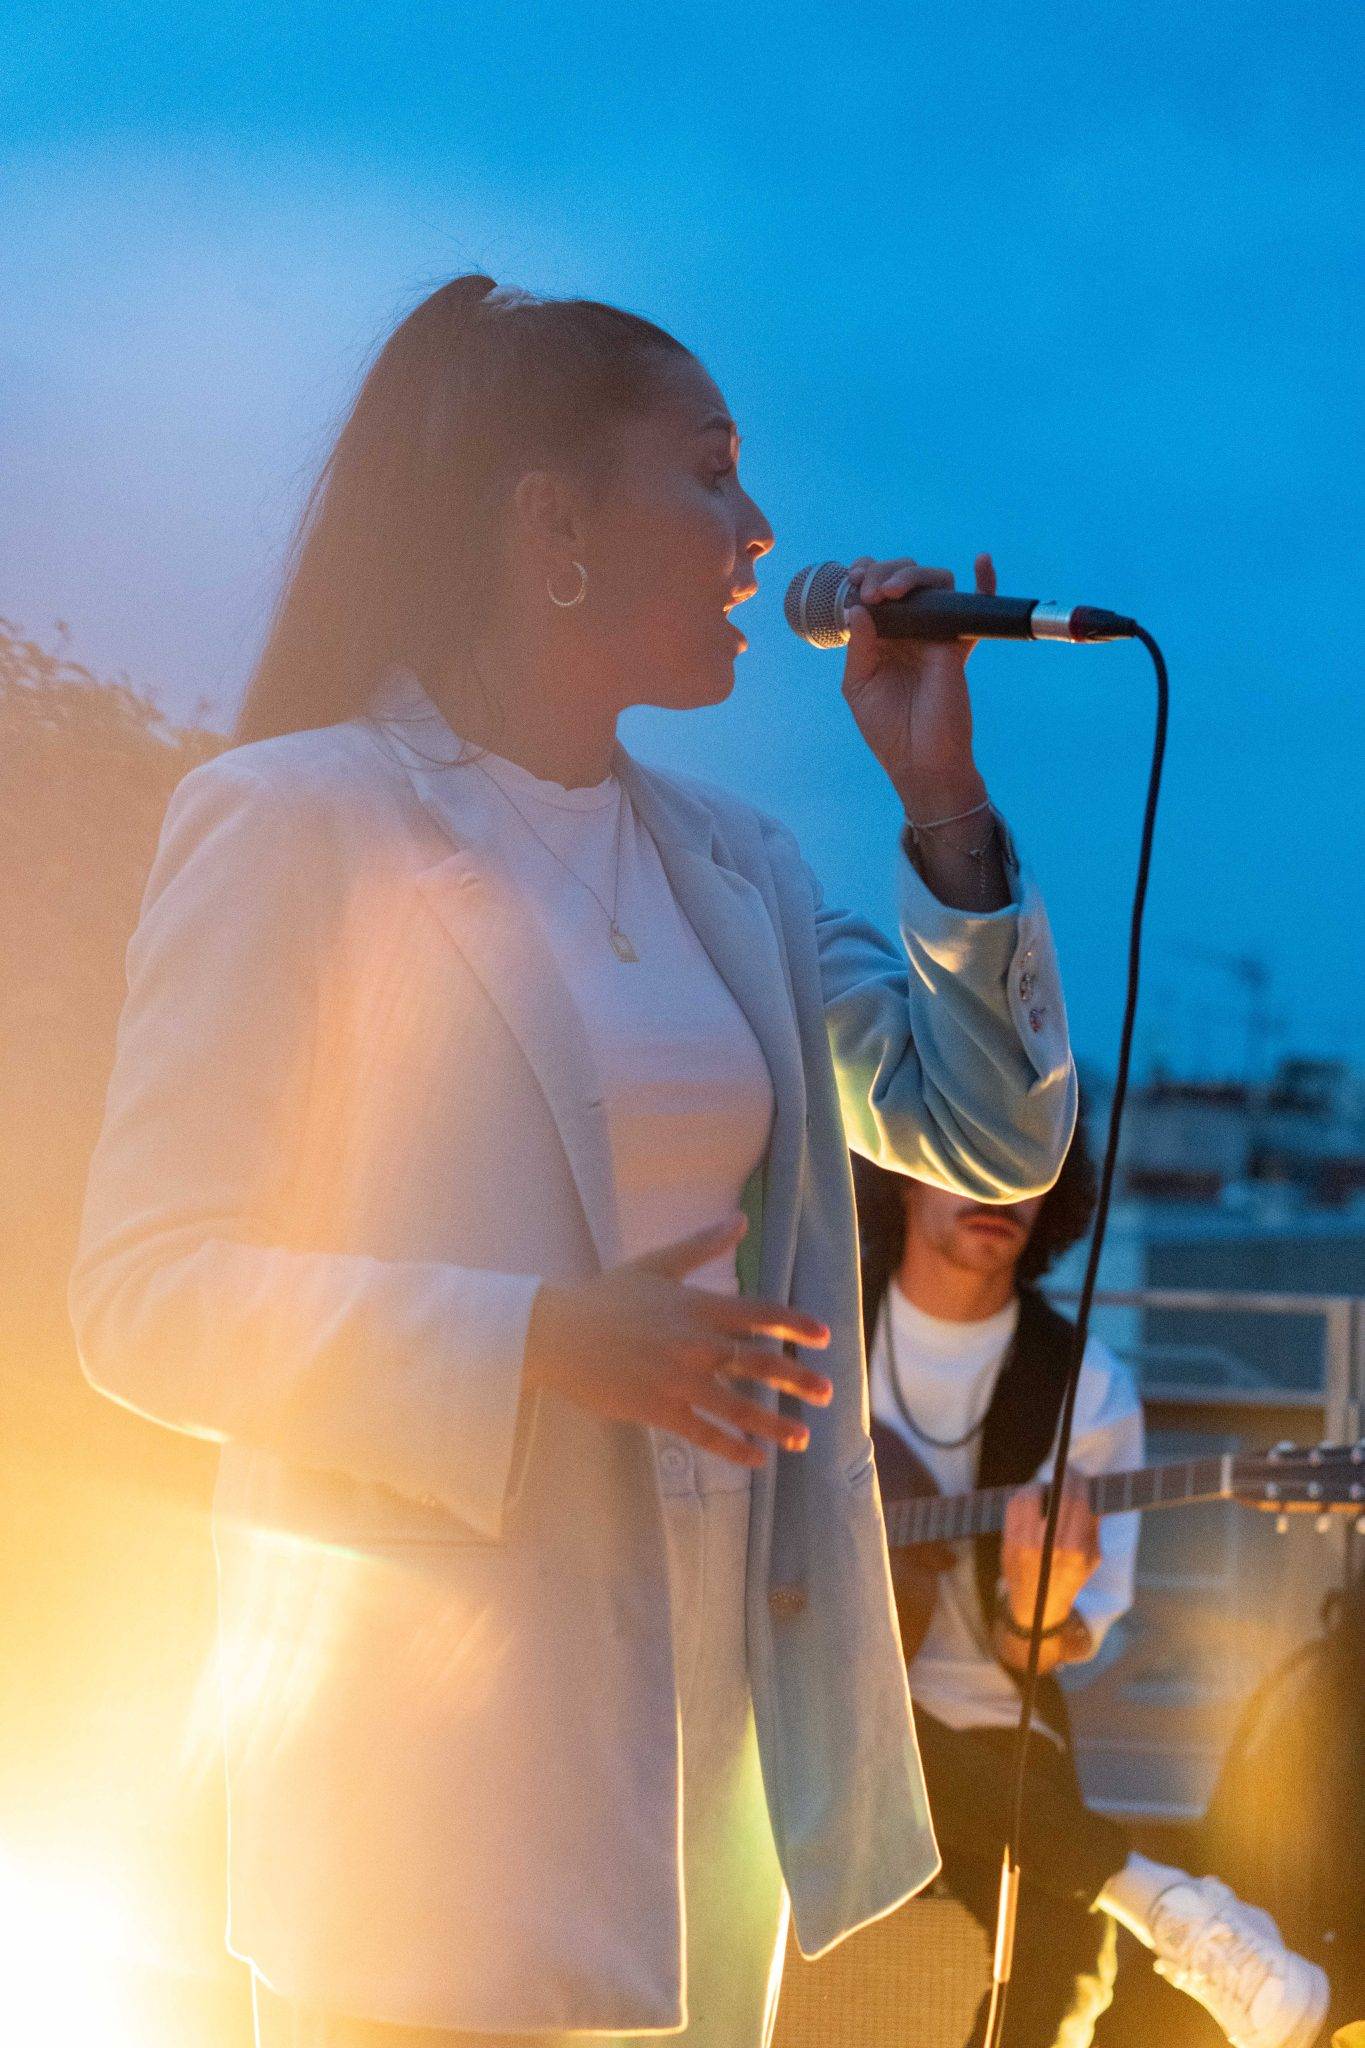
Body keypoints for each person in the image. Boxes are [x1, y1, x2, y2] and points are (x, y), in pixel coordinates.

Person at [70, 272, 1079, 2048]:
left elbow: (989, 1128)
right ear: (551, 526)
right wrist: (534, 1336)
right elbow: (143, 1296)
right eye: (707, 476)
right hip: (432, 1780)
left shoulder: (735, 864)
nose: (760, 534)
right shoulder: (297, 817)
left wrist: (942, 797)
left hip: (710, 1765)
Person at [852, 1123, 1332, 2048]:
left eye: (1021, 1167)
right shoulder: (817, 1327)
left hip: (984, 1718)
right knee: (850, 1707)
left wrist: (1037, 1613)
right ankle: (1154, 1896)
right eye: (966, 1157)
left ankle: (1134, 1899)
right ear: (902, 1175)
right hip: (801, 1695)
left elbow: (1044, 1654)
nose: (997, 1191)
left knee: (1069, 1961)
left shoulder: (1085, 1386)